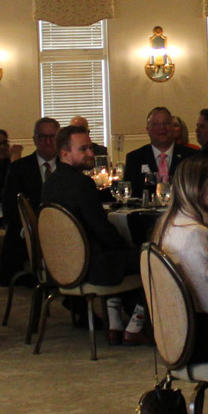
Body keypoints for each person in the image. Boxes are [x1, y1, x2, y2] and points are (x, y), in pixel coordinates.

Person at [40, 124, 139, 335]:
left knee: (123, 254)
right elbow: (102, 230)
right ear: (65, 154)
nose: (91, 153)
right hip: (88, 267)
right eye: (83, 149)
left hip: (58, 266)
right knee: (148, 257)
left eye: (90, 147)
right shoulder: (81, 184)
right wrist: (128, 246)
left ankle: (115, 321)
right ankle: (136, 324)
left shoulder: (50, 183)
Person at [155, 155, 208, 364]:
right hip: (202, 340)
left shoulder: (168, 224)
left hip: (177, 334)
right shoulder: (194, 233)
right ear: (192, 188)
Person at [0, 117, 60, 286]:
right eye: (42, 137)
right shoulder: (19, 168)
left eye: (52, 137)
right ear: (34, 140)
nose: (48, 142)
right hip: (28, 230)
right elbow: (9, 206)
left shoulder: (68, 166)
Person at [122, 105, 184, 196]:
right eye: (156, 124)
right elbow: (128, 195)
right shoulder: (134, 158)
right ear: (148, 130)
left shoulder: (190, 156)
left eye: (166, 123)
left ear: (172, 127)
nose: (162, 127)